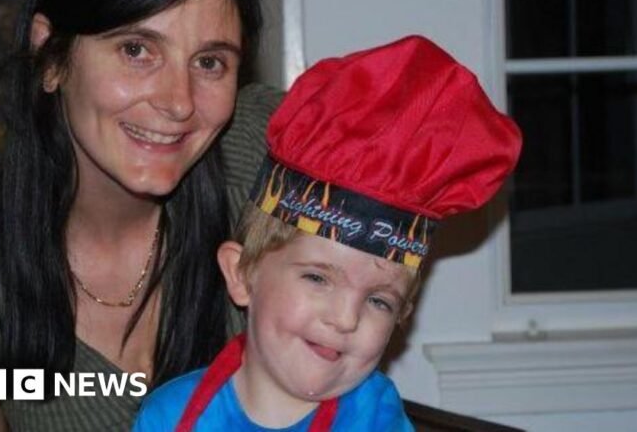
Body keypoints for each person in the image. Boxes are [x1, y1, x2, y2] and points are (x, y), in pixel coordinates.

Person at [0, 0, 283, 430]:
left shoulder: (276, 157)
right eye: (136, 50)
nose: (179, 102)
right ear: (50, 56)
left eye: (209, 62)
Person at [132, 35, 522, 431]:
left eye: (379, 301)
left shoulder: (377, 421)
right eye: (317, 278)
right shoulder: (167, 416)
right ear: (241, 273)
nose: (346, 318)